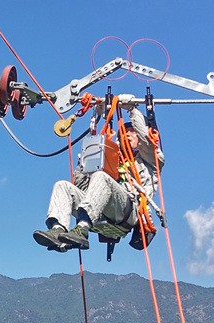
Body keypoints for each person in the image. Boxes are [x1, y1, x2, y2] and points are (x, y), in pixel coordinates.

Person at [32, 94, 165, 253]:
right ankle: (57, 230)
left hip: (128, 210)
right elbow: (81, 186)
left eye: (132, 131)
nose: (127, 134)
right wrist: (88, 157)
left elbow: (147, 141)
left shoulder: (152, 160)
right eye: (124, 132)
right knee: (62, 186)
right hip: (99, 211)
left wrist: (132, 110)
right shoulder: (111, 159)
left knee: (101, 177)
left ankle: (82, 228)